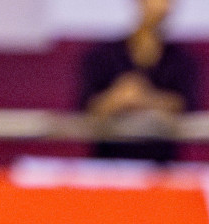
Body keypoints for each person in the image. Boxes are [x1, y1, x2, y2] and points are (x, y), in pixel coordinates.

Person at [77, 0, 199, 164]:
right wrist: (116, 99)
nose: (163, 6)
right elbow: (85, 108)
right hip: (108, 166)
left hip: (162, 168)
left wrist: (145, 99)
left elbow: (187, 106)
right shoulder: (103, 56)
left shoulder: (182, 61)